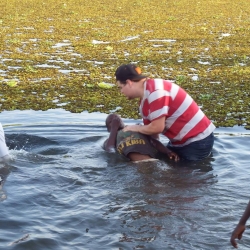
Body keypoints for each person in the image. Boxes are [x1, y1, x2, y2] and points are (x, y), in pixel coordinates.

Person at [114, 64, 216, 161]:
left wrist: (135, 128)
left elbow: (157, 128)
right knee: (170, 164)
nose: (121, 92)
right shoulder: (144, 101)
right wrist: (166, 151)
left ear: (129, 83)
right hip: (179, 141)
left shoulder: (156, 92)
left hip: (197, 139)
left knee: (185, 175)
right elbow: (153, 134)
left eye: (120, 87)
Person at [103, 113, 179, 162]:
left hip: (151, 159)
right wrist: (114, 129)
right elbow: (110, 150)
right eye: (111, 121)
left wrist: (167, 151)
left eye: (117, 117)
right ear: (109, 129)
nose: (115, 120)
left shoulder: (136, 128)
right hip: (134, 163)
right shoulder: (110, 140)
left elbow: (153, 141)